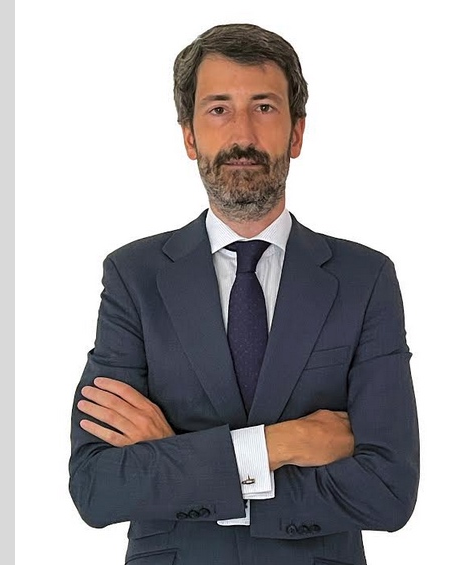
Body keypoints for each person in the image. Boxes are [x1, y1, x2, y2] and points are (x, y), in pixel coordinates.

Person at [69, 23, 419, 565]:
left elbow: (389, 490)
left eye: (264, 107)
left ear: (296, 133)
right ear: (189, 136)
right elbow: (97, 486)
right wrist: (281, 444)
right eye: (218, 109)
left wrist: (177, 458)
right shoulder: (134, 277)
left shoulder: (364, 279)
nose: (243, 134)